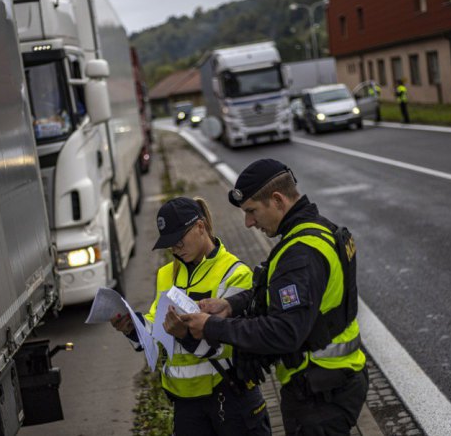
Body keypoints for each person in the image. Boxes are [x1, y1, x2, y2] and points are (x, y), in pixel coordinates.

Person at [180, 160, 368, 436]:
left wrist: (211, 326)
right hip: (335, 381)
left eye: (252, 211)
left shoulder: (300, 255)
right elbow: (283, 293)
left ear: (277, 200)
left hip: (319, 394)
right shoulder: (317, 229)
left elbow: (283, 331)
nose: (248, 223)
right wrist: (232, 305)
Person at [111, 196, 271, 436]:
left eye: (179, 240)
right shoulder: (166, 275)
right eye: (170, 244)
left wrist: (185, 335)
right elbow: (156, 329)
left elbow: (228, 343)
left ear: (199, 227)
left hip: (229, 399)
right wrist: (131, 326)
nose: (175, 248)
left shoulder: (234, 273)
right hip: (185, 406)